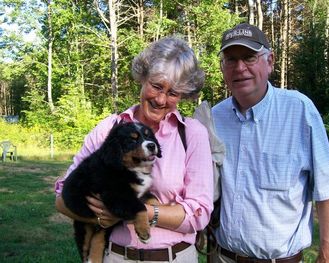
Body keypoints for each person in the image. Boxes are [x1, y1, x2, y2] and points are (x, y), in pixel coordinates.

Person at [55, 36, 214, 263]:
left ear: (184, 95)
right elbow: (62, 198)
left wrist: (138, 211)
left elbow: (199, 214)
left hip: (175, 257)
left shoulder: (192, 133)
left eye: (173, 93)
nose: (161, 99)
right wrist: (100, 218)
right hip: (117, 257)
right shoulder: (108, 129)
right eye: (156, 86)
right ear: (143, 78)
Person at [211, 23, 329, 263]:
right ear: (222, 67)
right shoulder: (213, 118)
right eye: (231, 59)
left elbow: (327, 192)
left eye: (249, 57)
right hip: (222, 257)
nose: (240, 68)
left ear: (269, 61)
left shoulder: (299, 111)